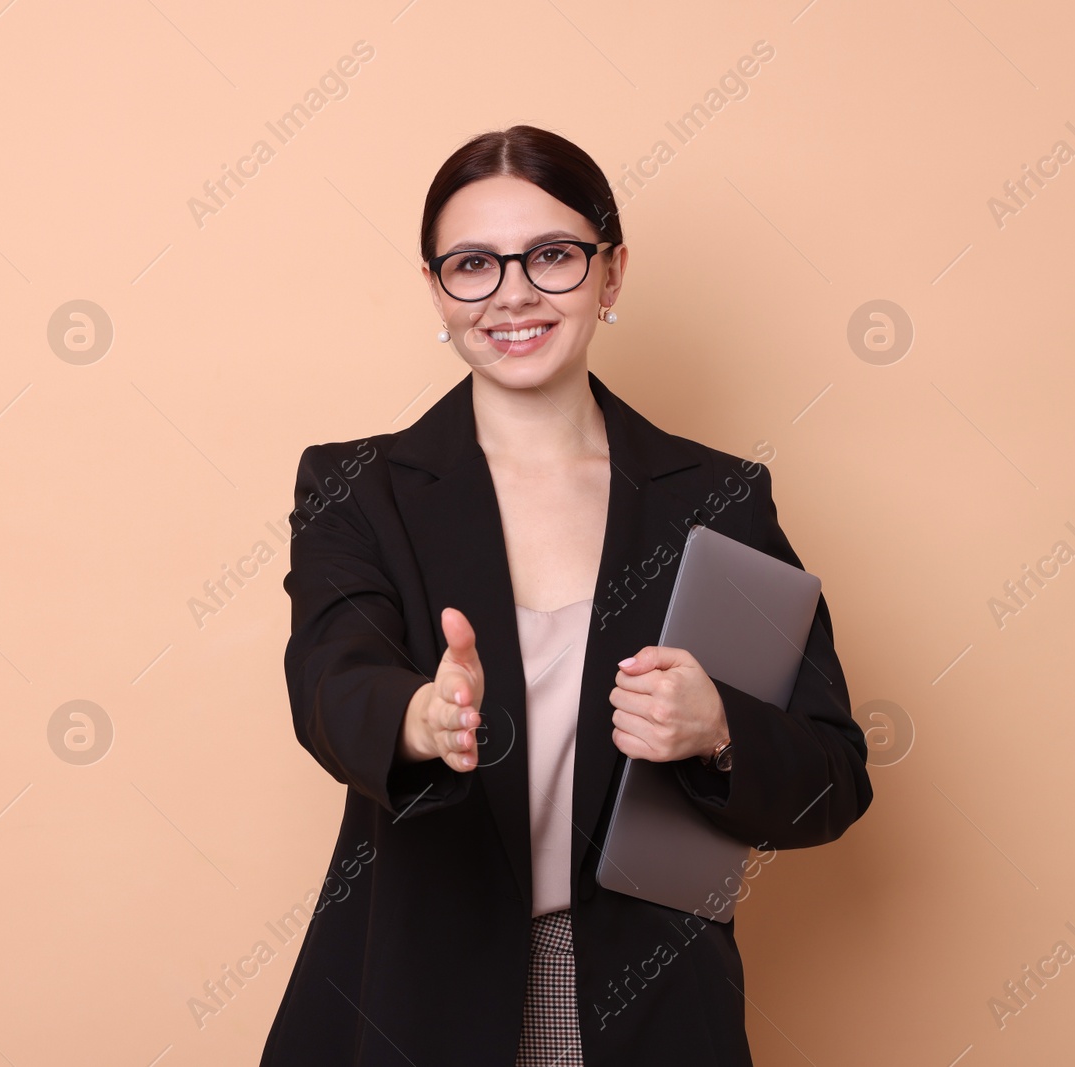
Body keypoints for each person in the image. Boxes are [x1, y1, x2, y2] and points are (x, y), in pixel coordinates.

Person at [261, 125, 873, 1066]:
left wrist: (719, 729)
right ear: (436, 289)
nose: (512, 292)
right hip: (418, 995)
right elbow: (331, 682)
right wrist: (421, 719)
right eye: (472, 264)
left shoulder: (718, 499)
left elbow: (833, 778)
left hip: (651, 1006)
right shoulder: (356, 486)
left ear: (611, 273)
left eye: (551, 256)